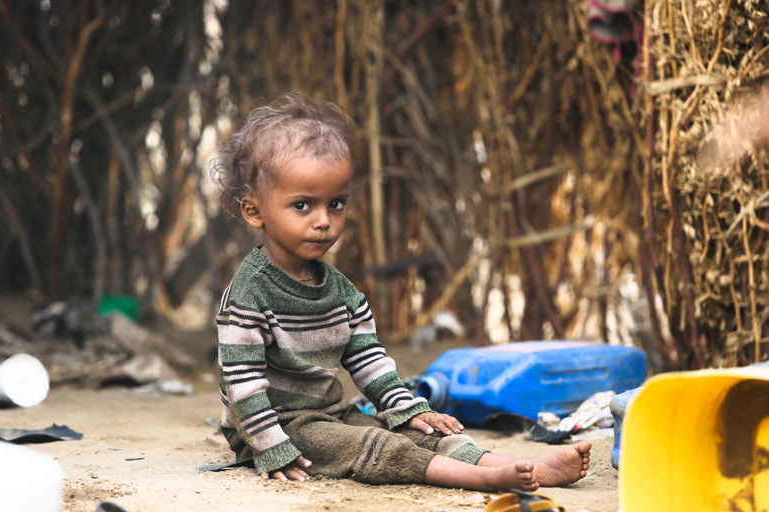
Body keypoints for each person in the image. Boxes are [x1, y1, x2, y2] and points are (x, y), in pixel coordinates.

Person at [212, 92, 591, 492]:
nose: (324, 221)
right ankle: (485, 479)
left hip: (329, 415)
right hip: (275, 428)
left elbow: (367, 359)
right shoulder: (248, 293)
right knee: (373, 445)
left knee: (419, 432)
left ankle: (523, 465)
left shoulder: (339, 290)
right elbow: (243, 382)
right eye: (303, 205)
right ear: (254, 211)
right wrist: (270, 447)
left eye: (336, 204)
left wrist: (405, 408)